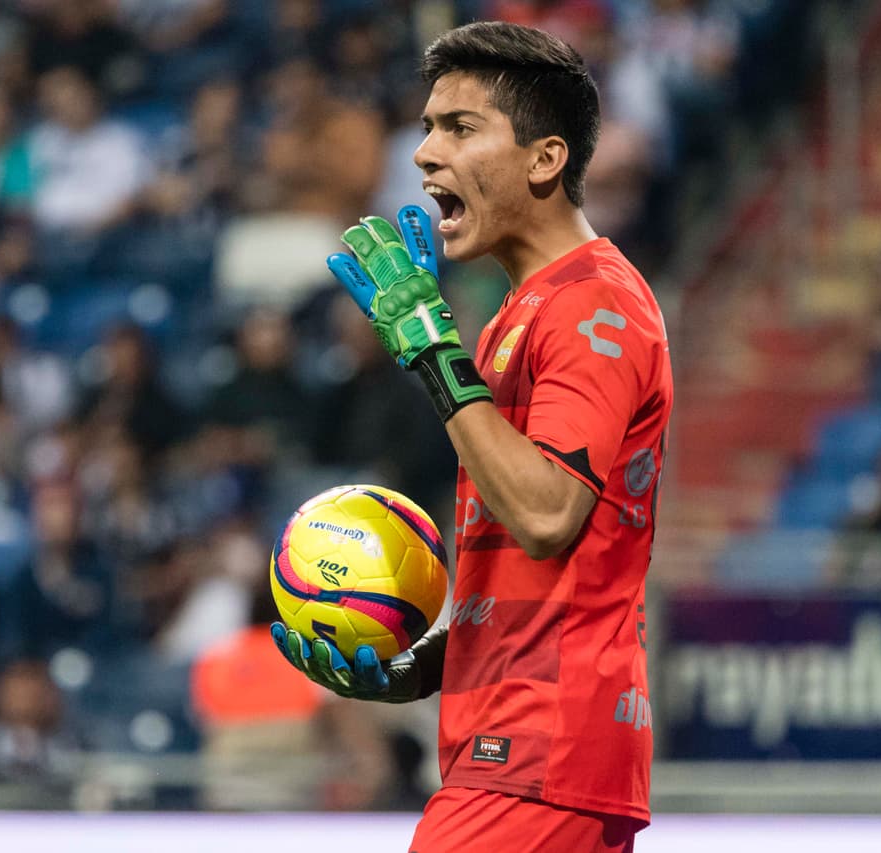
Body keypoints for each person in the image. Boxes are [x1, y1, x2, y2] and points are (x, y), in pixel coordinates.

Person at [269, 22, 672, 853]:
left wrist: (427, 344)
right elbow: (537, 572)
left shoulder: (595, 307)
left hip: (541, 752)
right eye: (425, 128)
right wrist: (420, 668)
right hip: (514, 749)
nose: (423, 154)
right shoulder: (513, 320)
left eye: (459, 128)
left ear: (545, 159)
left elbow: (549, 513)